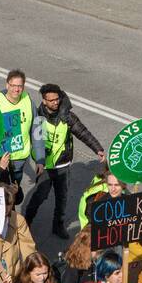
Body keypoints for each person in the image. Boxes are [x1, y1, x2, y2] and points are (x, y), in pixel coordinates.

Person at [25, 83, 105, 238]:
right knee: (39, 196)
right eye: (51, 100)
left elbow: (82, 132)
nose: (55, 102)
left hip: (62, 164)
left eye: (57, 99)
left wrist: (98, 148)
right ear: (44, 101)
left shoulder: (67, 116)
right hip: (45, 166)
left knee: (62, 198)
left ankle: (58, 225)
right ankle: (26, 222)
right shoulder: (37, 117)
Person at [0, 69, 34, 182]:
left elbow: (37, 128)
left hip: (19, 160)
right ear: (7, 85)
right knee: (0, 193)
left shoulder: (28, 100)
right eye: (13, 85)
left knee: (14, 194)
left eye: (20, 86)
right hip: (0, 160)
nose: (16, 89)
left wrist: (39, 159)